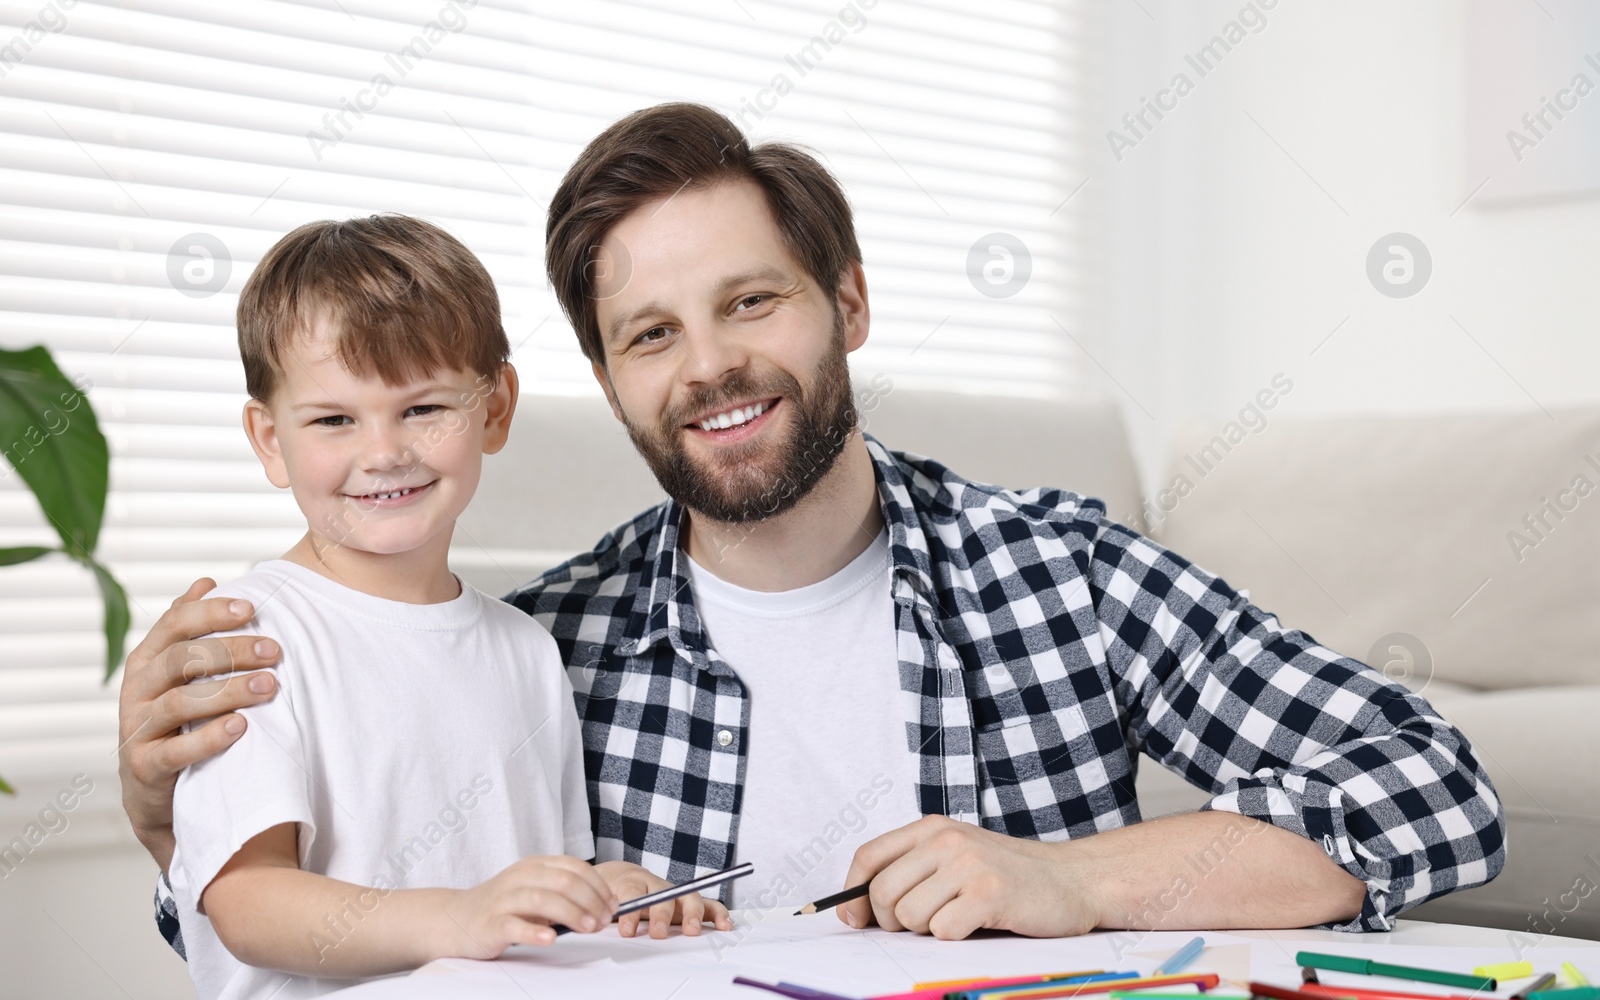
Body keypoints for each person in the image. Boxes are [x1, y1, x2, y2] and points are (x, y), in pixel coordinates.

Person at [122, 105, 1504, 954]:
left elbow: (1427, 789)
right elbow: (281, 921)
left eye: (752, 301)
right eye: (651, 333)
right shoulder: (548, 640)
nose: (711, 365)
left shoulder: (1057, 571)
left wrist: (1067, 877)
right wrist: (156, 803)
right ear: (606, 384)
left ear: (847, 300)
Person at [163, 215, 727, 1000]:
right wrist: (460, 917)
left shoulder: (527, 649)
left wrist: (611, 893)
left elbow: (533, 897)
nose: (385, 451)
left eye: (423, 409)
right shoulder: (250, 635)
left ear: (495, 408)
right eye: (334, 419)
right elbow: (246, 900)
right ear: (267, 438)